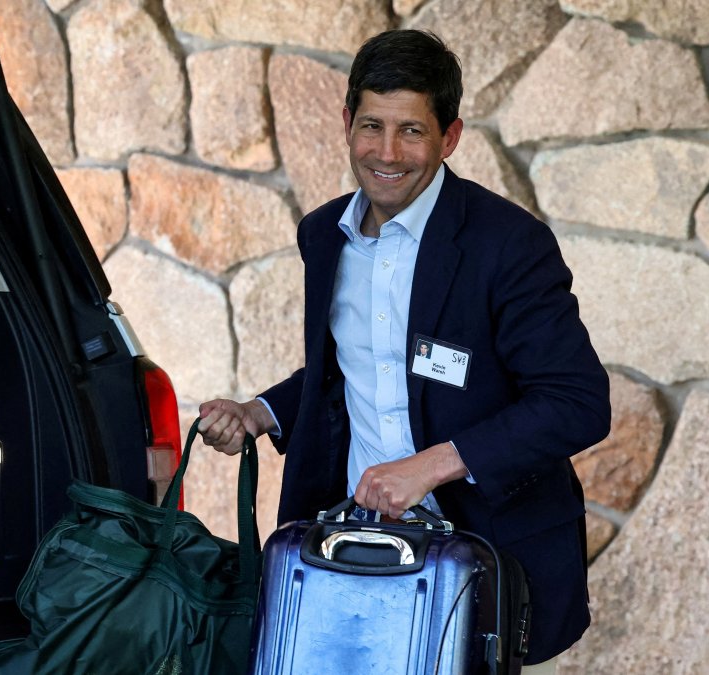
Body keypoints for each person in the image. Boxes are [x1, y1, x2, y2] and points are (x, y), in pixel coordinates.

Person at [198, 29, 610, 672]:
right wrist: (262, 413)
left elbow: (578, 403)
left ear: (450, 137)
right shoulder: (323, 235)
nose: (387, 153)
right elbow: (357, 360)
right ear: (345, 124)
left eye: (412, 131)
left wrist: (433, 465)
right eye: (372, 126)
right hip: (350, 550)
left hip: (475, 560)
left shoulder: (509, 245)